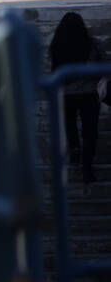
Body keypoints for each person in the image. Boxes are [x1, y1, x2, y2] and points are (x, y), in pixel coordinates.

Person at [50, 12, 105, 184]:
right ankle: (87, 167)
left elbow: (54, 70)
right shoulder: (93, 44)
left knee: (70, 125)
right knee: (90, 131)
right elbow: (102, 68)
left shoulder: (57, 45)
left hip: (67, 95)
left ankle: (74, 150)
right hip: (89, 94)